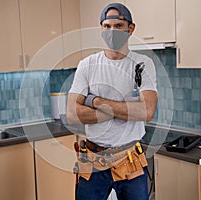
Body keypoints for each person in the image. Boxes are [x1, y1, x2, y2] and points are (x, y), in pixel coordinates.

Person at [66, 3, 158, 200]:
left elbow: (147, 112)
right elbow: (72, 114)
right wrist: (125, 111)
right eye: (107, 26)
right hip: (93, 160)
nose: (112, 31)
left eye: (118, 26)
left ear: (130, 29)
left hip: (130, 158)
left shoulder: (142, 65)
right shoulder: (87, 65)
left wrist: (96, 101)